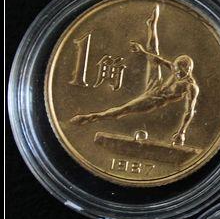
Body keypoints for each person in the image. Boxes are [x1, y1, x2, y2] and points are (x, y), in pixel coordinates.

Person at [71, 41, 199, 147]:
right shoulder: (176, 69)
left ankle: (89, 117)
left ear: (187, 70)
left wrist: (182, 132)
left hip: (154, 99)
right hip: (155, 86)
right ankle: (152, 24)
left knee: (123, 110)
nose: (176, 73)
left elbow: (189, 111)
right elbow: (160, 60)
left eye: (179, 71)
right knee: (153, 55)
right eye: (175, 69)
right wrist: (142, 52)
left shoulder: (190, 86)